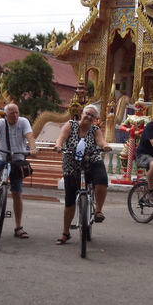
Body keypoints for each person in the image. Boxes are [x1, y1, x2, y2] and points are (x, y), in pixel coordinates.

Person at [52, 104, 112, 245]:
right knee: (70, 200)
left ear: (95, 119)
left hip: (92, 162)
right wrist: (58, 145)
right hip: (72, 165)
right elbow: (61, 137)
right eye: (87, 114)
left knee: (102, 179)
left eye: (92, 116)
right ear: (82, 113)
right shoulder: (71, 125)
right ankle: (65, 232)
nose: (89, 117)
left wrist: (105, 146)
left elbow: (100, 141)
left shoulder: (95, 129)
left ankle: (98, 211)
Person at [0, 103, 37, 239]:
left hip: (17, 160)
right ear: (6, 115)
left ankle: (18, 227)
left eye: (17, 112)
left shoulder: (23, 122)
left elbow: (30, 136)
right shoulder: (0, 123)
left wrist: (33, 148)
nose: (15, 115)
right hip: (1, 157)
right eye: (12, 113)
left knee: (17, 193)